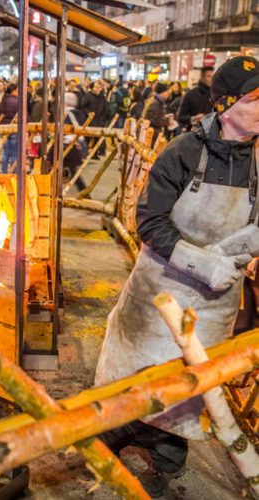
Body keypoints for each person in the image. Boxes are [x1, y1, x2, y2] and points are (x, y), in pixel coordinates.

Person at [96, 56, 259, 497]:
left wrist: (238, 252)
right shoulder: (185, 151)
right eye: (254, 99)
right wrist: (203, 261)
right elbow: (150, 220)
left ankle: (165, 458)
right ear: (225, 105)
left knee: (186, 388)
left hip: (215, 301)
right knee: (136, 376)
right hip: (160, 293)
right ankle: (111, 437)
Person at [0, 84, 19, 173]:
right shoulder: (17, 102)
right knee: (14, 152)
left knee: (6, 152)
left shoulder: (3, 100)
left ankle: (4, 170)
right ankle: (13, 171)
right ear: (13, 91)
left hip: (4, 128)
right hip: (14, 128)